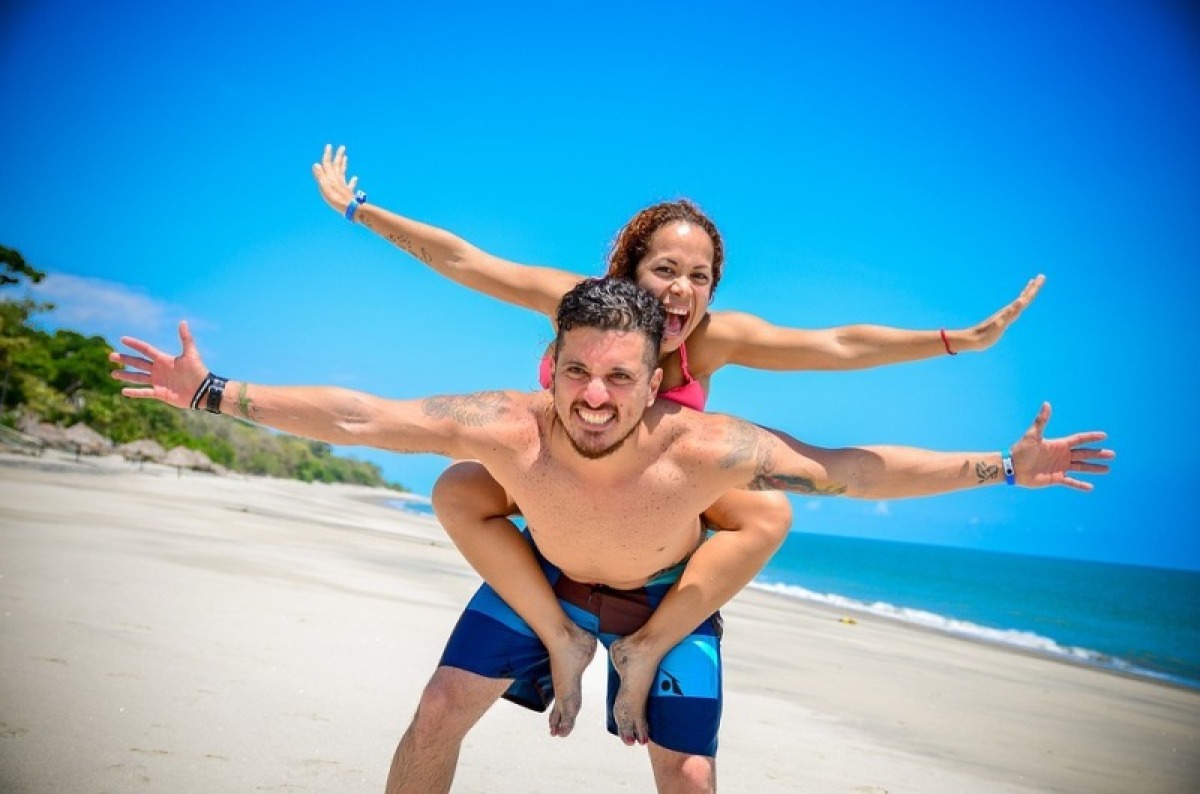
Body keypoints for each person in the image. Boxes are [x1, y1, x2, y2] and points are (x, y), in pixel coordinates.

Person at [110, 278, 1111, 794]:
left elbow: (850, 469)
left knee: (688, 776)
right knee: (434, 714)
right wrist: (208, 389)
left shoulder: (710, 447)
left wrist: (1004, 466)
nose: (594, 395)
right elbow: (359, 416)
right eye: (577, 370)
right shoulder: (503, 420)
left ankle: (628, 654)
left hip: (661, 592)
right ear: (549, 362)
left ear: (654, 379)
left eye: (620, 377)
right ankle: (561, 638)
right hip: (544, 574)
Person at [312, 144, 1047, 743]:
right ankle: (557, 638)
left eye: (700, 277)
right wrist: (359, 210)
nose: (681, 291)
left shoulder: (713, 337)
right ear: (628, 270)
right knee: (462, 486)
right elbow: (469, 263)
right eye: (664, 269)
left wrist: (958, 341)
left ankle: (647, 647)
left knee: (768, 510)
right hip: (561, 488)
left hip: (654, 512)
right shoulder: (584, 305)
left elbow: (838, 344)